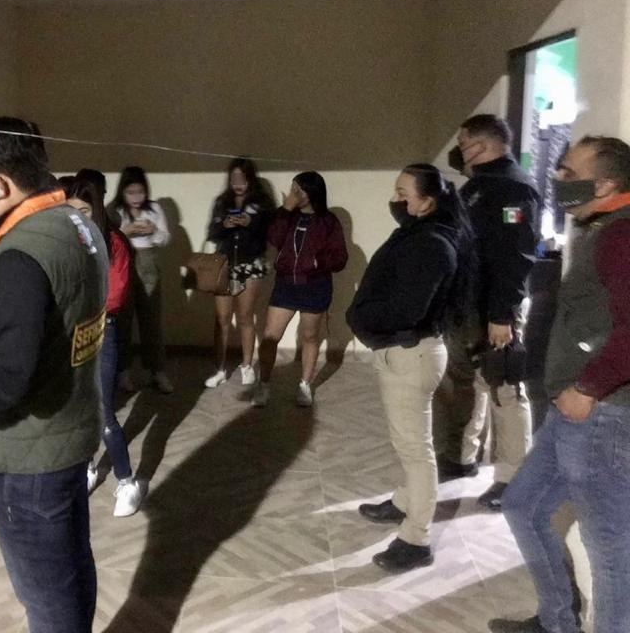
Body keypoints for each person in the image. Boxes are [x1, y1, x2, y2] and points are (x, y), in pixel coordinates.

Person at [0, 117, 108, 633]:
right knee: (71, 570)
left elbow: (9, 375)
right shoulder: (77, 223)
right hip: (69, 430)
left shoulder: (21, 255)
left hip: (27, 456)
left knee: (45, 593)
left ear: (0, 184)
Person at [490, 136, 630, 633]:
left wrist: (588, 388)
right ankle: (556, 622)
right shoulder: (602, 229)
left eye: (569, 172)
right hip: (574, 409)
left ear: (605, 184)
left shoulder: (621, 235)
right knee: (523, 506)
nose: (558, 178)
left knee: (609, 546)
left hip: (600, 411)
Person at [347, 164, 473, 573]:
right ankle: (404, 502)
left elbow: (407, 309)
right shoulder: (420, 234)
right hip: (406, 352)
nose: (395, 199)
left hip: (411, 354)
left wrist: (361, 319)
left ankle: (417, 539)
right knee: (409, 442)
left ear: (426, 202)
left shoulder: (431, 244)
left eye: (403, 193)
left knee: (416, 450)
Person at [439, 114, 540, 510]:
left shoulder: (514, 188)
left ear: (480, 145)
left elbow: (516, 256)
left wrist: (502, 315)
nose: (460, 149)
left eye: (463, 142)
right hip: (469, 305)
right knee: (470, 382)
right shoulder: (478, 187)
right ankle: (463, 456)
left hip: (496, 307)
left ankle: (513, 478)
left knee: (504, 389)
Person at [65, 173, 146, 517]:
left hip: (101, 330)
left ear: (96, 208)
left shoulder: (113, 242)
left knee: (102, 411)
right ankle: (88, 467)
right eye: (70, 210)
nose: (77, 217)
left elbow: (115, 295)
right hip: (69, 333)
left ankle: (127, 481)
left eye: (83, 210)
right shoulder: (65, 238)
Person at [252, 171, 347, 407]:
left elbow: (340, 258)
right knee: (270, 337)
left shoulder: (329, 221)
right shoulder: (286, 215)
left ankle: (305, 384)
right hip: (286, 284)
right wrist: (285, 209)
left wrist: (317, 262)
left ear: (311, 192)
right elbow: (273, 238)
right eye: (292, 188)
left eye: (298, 189)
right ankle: (264, 383)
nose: (293, 193)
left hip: (315, 286)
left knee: (310, 336)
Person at [203, 157, 275, 390]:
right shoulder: (222, 202)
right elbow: (212, 233)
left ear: (250, 179)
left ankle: (246, 366)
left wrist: (249, 222)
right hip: (224, 263)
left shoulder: (263, 203)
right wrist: (224, 225)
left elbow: (272, 233)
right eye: (234, 178)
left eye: (242, 178)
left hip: (250, 263)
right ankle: (220, 369)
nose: (238, 183)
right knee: (222, 319)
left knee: (245, 316)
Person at [108, 166, 173, 394]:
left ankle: (157, 371)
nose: (136, 197)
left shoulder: (154, 209)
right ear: (122, 192)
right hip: (123, 264)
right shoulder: (114, 211)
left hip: (148, 263)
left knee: (151, 320)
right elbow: (107, 240)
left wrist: (153, 231)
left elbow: (165, 239)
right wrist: (125, 231)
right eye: (131, 192)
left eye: (140, 192)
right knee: (122, 322)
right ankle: (123, 372)